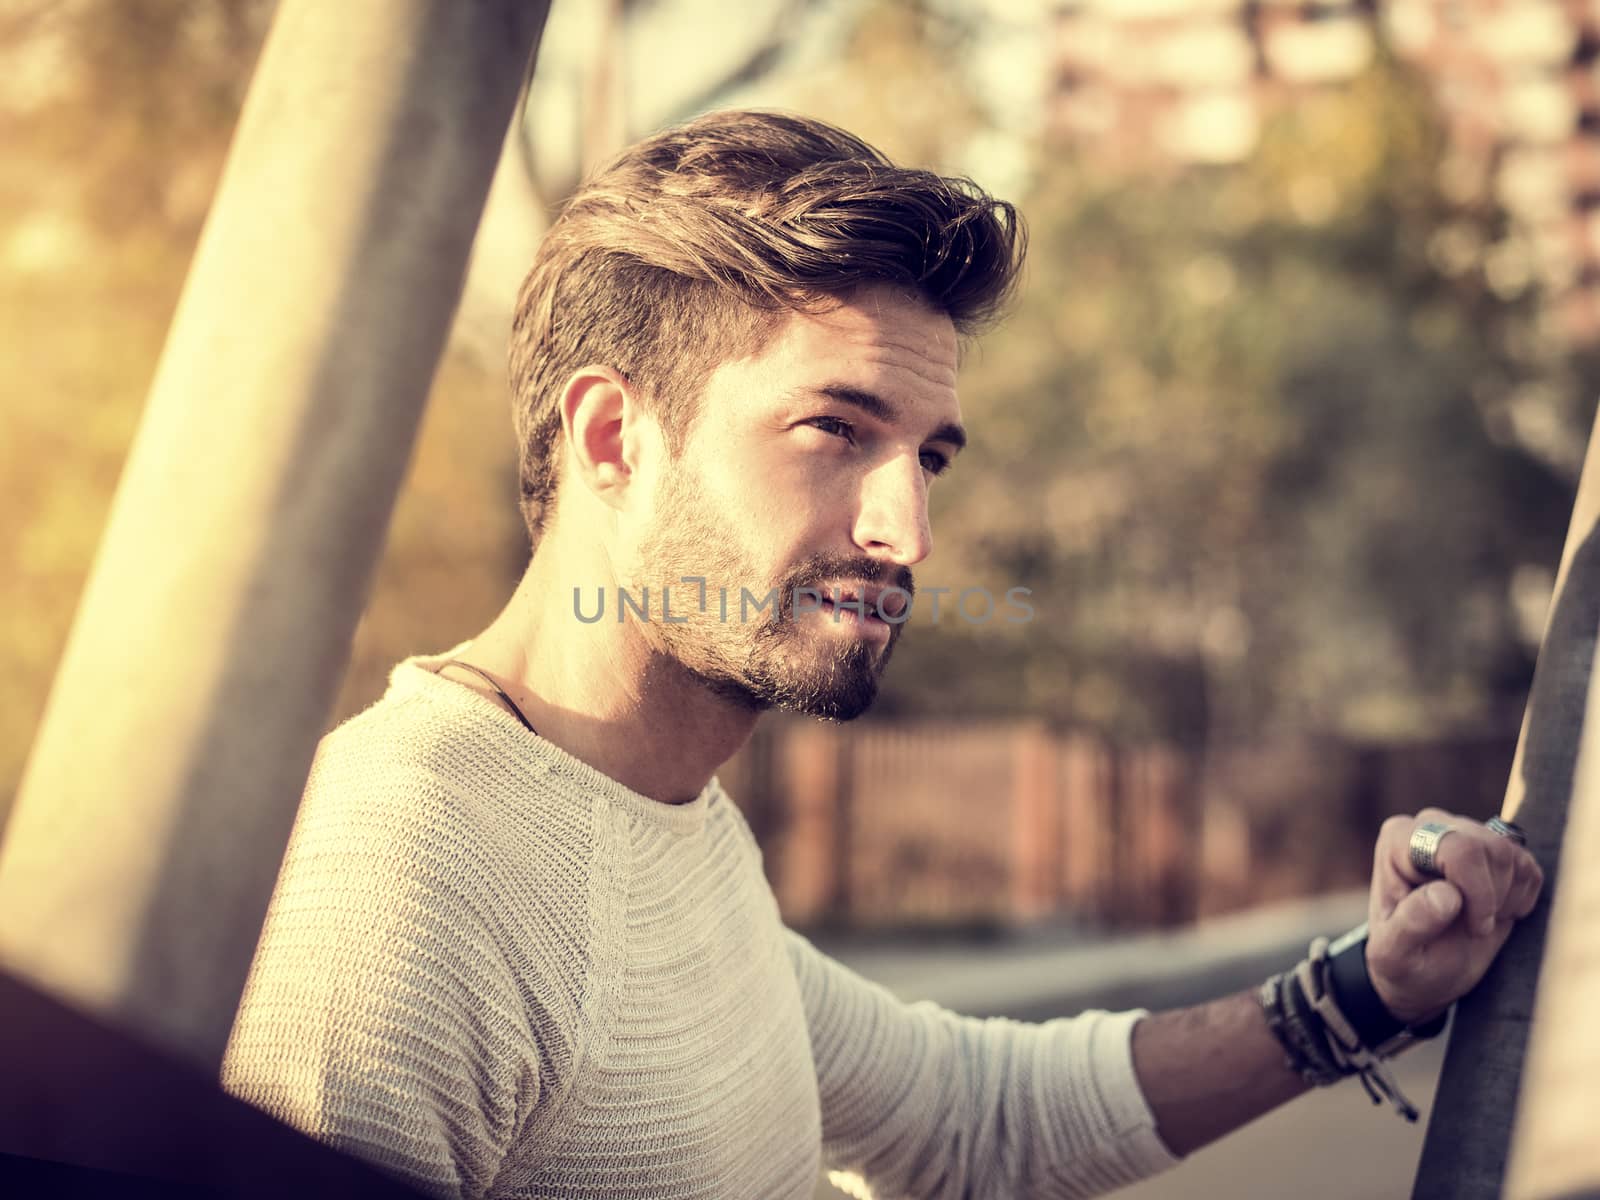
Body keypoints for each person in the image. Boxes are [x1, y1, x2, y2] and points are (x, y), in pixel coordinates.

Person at [219, 109, 1546, 1200]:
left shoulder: (661, 821)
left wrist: (1367, 994)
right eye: (831, 429)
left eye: (930, 457)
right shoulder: (404, 878)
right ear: (615, 440)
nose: (905, 528)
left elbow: (969, 1117)